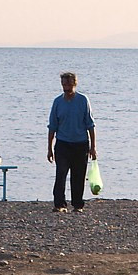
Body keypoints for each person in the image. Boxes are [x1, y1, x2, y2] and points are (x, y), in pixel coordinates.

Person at [47, 71, 96, 213]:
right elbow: (52, 126)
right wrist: (49, 148)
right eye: (63, 84)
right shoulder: (57, 102)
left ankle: (77, 204)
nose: (66, 86)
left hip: (80, 144)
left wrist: (93, 147)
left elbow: (90, 125)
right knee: (61, 174)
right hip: (62, 143)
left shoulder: (82, 100)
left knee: (78, 175)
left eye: (68, 83)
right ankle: (59, 204)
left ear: (74, 84)